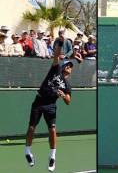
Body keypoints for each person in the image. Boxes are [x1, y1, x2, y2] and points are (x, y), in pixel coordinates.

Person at [24, 37, 73, 172]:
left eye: (71, 66)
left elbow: (69, 101)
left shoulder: (67, 85)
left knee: (52, 129)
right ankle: (28, 151)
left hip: (51, 106)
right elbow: (56, 54)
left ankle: (52, 156)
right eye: (68, 65)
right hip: (39, 102)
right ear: (63, 67)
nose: (69, 67)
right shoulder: (55, 69)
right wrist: (60, 42)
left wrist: (64, 96)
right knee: (32, 128)